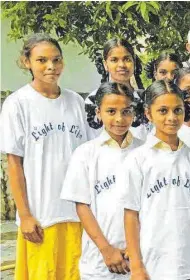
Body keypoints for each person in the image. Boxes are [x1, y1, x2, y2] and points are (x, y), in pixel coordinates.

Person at [0, 33, 89, 280]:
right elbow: (14, 164)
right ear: (27, 62)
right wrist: (25, 215)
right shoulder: (18, 104)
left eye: (56, 59)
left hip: (76, 213)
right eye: (42, 60)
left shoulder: (75, 102)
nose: (51, 66)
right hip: (42, 216)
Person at [121, 80, 190, 280]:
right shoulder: (138, 160)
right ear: (148, 113)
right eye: (163, 111)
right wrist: (136, 266)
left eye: (177, 110)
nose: (171, 117)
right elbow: (131, 216)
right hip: (154, 266)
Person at [60, 82, 144, 280]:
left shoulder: (145, 151)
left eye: (126, 111)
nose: (119, 119)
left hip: (141, 258)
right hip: (99, 261)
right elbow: (82, 206)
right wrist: (106, 249)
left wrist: (136, 249)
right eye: (111, 111)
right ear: (98, 112)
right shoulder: (86, 154)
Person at [85, 38, 147, 140]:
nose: (121, 65)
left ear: (134, 62)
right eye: (114, 60)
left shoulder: (146, 99)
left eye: (127, 59)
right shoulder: (93, 100)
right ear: (105, 64)